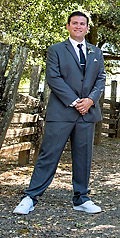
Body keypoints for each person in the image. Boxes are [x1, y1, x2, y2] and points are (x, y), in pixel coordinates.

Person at [14, 11, 106, 215]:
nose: (78, 26)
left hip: (87, 113)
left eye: (82, 24)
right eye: (75, 23)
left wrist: (90, 101)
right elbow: (53, 78)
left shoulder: (96, 53)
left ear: (87, 28)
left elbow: (101, 79)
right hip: (62, 112)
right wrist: (75, 102)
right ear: (68, 26)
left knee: (83, 157)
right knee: (49, 154)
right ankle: (30, 197)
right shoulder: (56, 50)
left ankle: (81, 198)